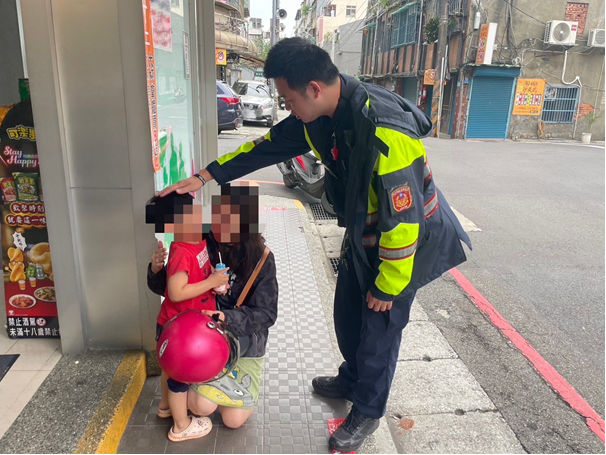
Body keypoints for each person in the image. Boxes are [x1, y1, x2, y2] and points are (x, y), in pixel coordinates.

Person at [159, 38, 472, 452]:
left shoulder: (386, 130)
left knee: (379, 328)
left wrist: (388, 285)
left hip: (405, 245)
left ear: (314, 88)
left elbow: (405, 219)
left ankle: (367, 410)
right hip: (364, 234)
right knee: (348, 315)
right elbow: (266, 146)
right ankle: (351, 378)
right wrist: (205, 177)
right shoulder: (318, 116)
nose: (288, 108)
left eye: (289, 100)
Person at [148, 184, 278, 430]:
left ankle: (214, 390)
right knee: (200, 406)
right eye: (217, 218)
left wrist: (225, 317)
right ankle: (194, 396)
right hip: (204, 340)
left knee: (233, 421)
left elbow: (267, 314)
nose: (218, 228)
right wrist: (157, 271)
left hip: (244, 344)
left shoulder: (262, 259)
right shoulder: (204, 238)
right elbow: (174, 291)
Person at [145, 191, 230, 442]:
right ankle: (181, 426)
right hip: (179, 331)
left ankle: (165, 406)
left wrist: (214, 280)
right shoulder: (182, 250)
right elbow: (176, 291)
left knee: (170, 370)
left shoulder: (198, 239)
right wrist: (211, 282)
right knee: (179, 377)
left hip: (183, 326)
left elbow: (198, 274)